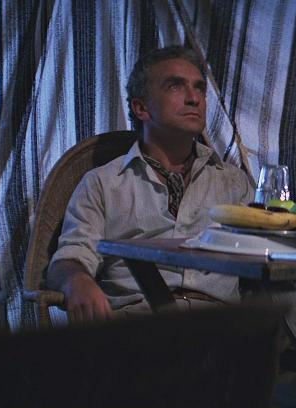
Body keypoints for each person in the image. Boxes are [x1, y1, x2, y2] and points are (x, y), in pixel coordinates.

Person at [46, 46, 250, 322]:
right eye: (175, 86)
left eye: (199, 88)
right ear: (141, 108)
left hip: (222, 325)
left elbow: (266, 255)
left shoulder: (232, 181)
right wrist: (77, 281)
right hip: (140, 324)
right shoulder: (104, 183)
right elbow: (71, 257)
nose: (194, 99)